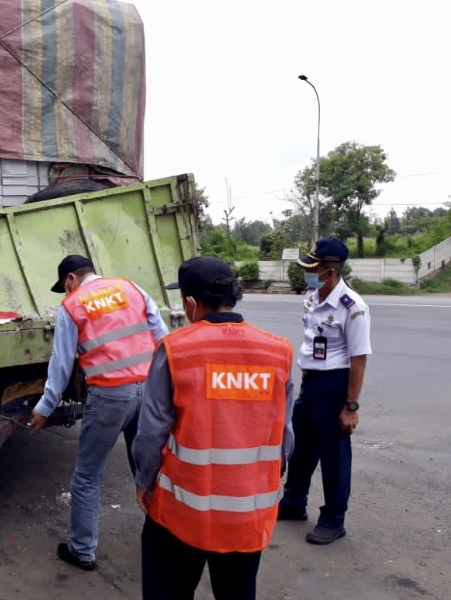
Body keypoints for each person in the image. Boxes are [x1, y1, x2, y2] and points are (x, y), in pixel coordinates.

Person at [133, 256, 294, 600]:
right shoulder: (278, 351)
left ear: (191, 303)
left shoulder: (176, 349)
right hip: (248, 514)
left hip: (181, 514)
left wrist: (144, 482)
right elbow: (285, 435)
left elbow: (150, 434)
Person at [30, 254, 168, 571]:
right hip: (148, 388)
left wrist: (44, 408)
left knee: (87, 476)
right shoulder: (130, 287)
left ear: (70, 280)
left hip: (109, 395)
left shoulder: (72, 305)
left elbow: (61, 366)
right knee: (148, 467)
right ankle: (164, 541)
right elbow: (161, 336)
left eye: (64, 288)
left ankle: (81, 550)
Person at [278, 236, 372, 545]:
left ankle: (333, 518)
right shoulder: (313, 294)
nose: (307, 273)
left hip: (335, 384)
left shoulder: (352, 307)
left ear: (330, 272)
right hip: (311, 381)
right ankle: (293, 503)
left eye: (312, 268)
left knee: (334, 455)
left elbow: (358, 360)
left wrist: (351, 406)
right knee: (302, 446)